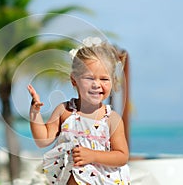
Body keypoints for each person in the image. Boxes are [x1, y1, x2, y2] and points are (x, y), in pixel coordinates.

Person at [27, 37, 130, 185]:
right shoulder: (65, 111)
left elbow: (121, 156)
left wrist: (93, 155)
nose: (97, 85)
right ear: (74, 80)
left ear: (112, 81)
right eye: (89, 78)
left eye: (104, 79)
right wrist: (34, 113)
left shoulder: (111, 119)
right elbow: (43, 140)